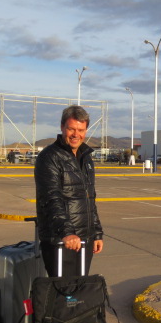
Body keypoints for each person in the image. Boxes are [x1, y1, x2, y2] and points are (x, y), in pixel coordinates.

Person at [34, 106, 104, 277]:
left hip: (84, 239)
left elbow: (89, 198)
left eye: (80, 130)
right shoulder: (49, 157)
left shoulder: (86, 157)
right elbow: (51, 198)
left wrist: (96, 232)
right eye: (71, 128)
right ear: (62, 127)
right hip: (61, 239)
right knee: (64, 296)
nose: (76, 134)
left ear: (86, 130)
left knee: (79, 293)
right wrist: (66, 233)